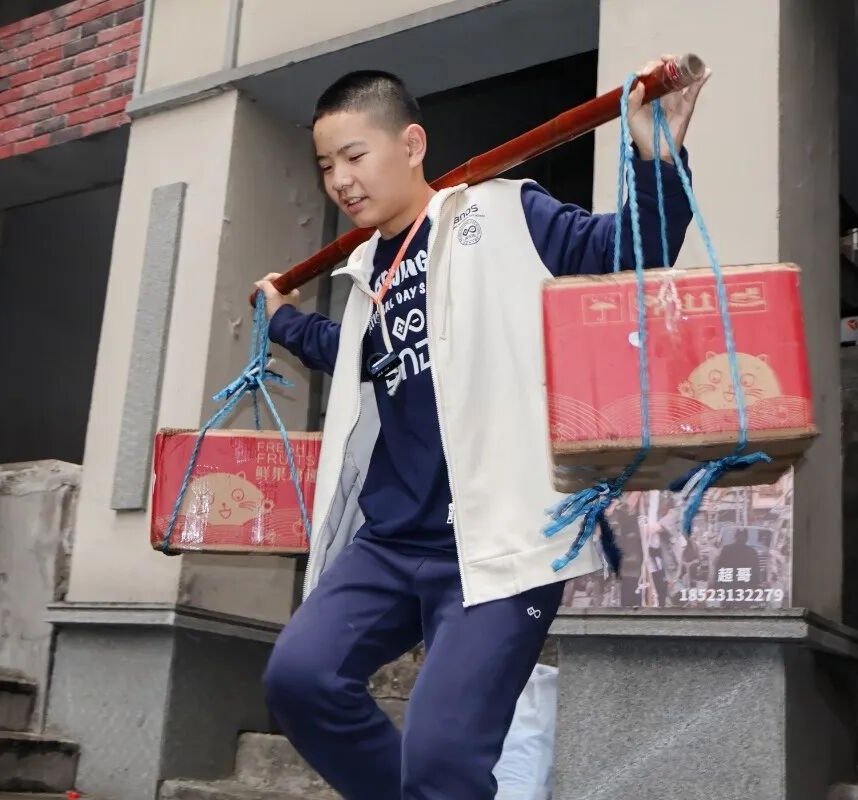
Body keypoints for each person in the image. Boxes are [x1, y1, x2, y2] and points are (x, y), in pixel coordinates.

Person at [257, 58, 709, 799]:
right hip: (391, 541)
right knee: (300, 678)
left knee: (443, 761)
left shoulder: (501, 213)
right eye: (326, 165)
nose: (340, 180)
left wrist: (655, 158)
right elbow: (357, 355)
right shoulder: (368, 272)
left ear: (411, 145)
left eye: (354, 156)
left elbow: (631, 252)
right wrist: (281, 321)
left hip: (502, 544)